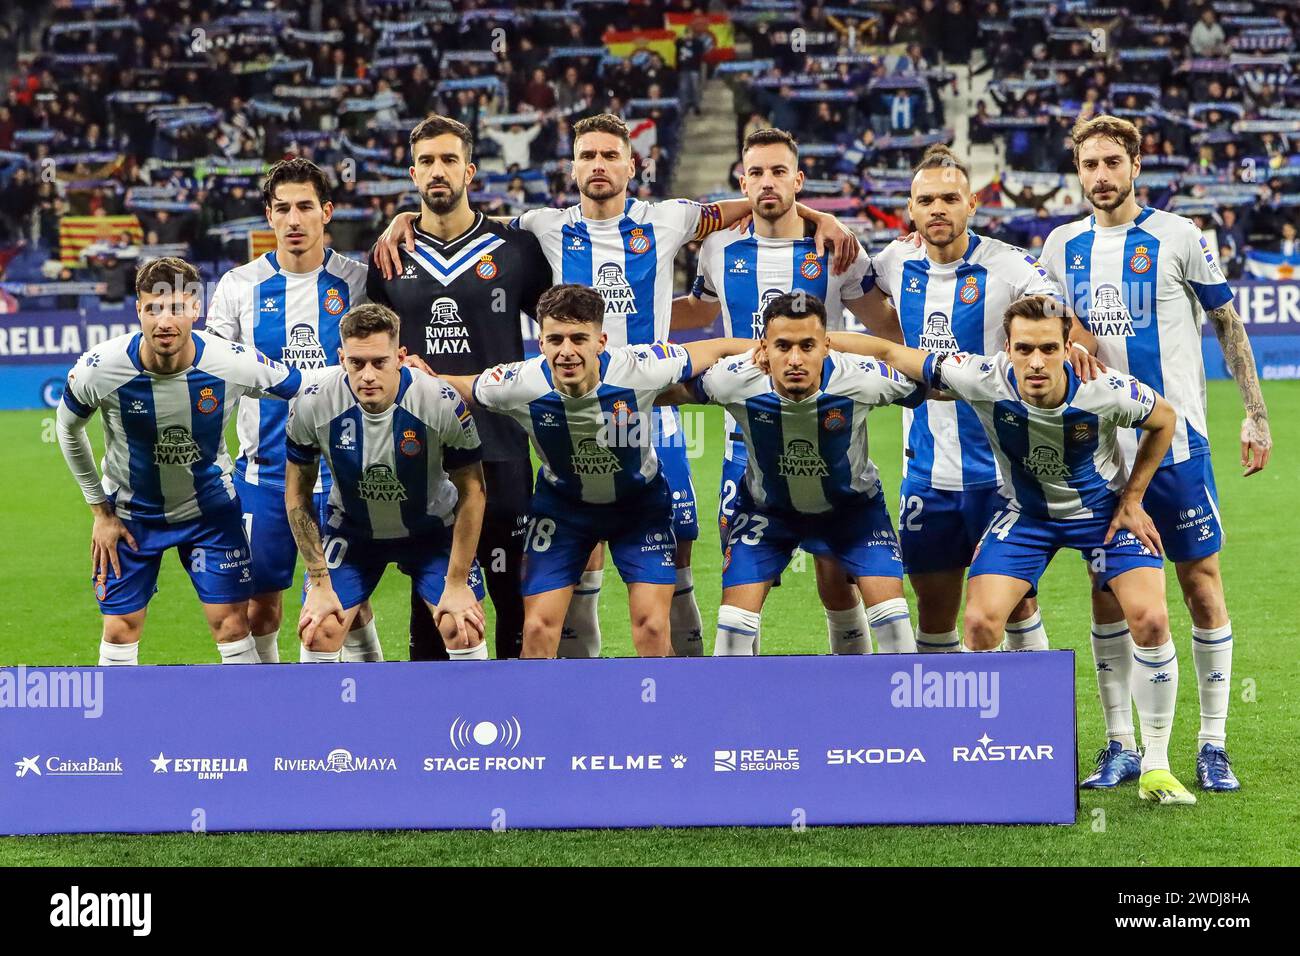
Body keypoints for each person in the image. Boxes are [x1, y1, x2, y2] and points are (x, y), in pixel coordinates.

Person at [373, 112, 863, 659]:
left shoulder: (670, 218)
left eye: (610, 155)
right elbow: (464, 221)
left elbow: (759, 199)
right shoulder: (540, 226)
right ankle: (589, 693)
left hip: (655, 416)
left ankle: (685, 690)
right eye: (588, 156)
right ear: (572, 167)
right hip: (574, 416)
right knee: (579, 572)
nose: (599, 165)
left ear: (633, 165)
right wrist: (403, 220)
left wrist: (821, 216)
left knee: (674, 567)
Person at [858, 294, 1198, 806]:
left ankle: (1156, 764)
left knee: (1149, 618)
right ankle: (1000, 749)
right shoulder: (982, 376)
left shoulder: (1103, 390)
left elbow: (1165, 419)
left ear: (1068, 346)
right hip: (1027, 517)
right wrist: (808, 345)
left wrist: (1132, 497)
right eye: (1023, 349)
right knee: (979, 624)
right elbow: (888, 352)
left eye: (1047, 349)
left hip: (1102, 515)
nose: (1035, 362)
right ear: (1007, 349)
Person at [1041, 115, 1272, 792]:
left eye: (1113, 161)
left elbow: (1227, 323)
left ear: (1136, 165)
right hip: (1097, 455)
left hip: (1178, 447)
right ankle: (1120, 744)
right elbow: (1051, 328)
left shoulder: (1179, 235)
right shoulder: (1060, 246)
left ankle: (1212, 743)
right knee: (1106, 592)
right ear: (1077, 172)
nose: (1101, 176)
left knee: (1201, 585)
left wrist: (1255, 414)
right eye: (1090, 165)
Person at [853, 144, 1098, 655]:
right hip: (927, 475)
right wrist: (821, 221)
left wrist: (1073, 350)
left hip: (999, 475)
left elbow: (1061, 318)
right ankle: (944, 728)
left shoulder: (1007, 266)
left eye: (949, 198)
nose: (937, 209)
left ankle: (1032, 723)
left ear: (972, 204)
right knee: (934, 608)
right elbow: (848, 280)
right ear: (910, 209)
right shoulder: (895, 261)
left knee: (1016, 606)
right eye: (926, 200)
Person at [436, 284, 756, 658]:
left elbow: (717, 348)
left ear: (601, 341)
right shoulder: (518, 383)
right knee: (538, 628)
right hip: (563, 510)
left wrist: (766, 351)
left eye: (578, 338)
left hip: (639, 508)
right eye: (554, 339)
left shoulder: (641, 366)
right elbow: (461, 387)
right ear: (540, 342)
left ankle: (662, 710)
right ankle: (545, 713)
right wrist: (413, 372)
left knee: (652, 627)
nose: (566, 351)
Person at [672, 127, 898, 654]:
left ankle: (851, 690)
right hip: (744, 443)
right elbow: (701, 310)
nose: (767, 182)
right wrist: (624, 318)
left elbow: (883, 325)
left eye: (779, 172)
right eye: (756, 173)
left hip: (830, 437)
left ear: (799, 179)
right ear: (742, 181)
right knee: (743, 590)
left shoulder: (837, 248)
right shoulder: (718, 248)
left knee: (836, 581)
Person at [56, 257, 314, 666]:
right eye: (153, 308)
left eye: (177, 307)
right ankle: (113, 728)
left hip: (210, 513)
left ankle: (253, 721)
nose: (165, 321)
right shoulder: (100, 369)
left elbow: (304, 387)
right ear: (138, 310)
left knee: (232, 625)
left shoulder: (231, 361)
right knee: (121, 627)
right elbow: (67, 430)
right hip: (130, 515)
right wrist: (100, 511)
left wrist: (380, 372)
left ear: (196, 309)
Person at [366, 114, 550, 662]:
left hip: (503, 450)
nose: (437, 171)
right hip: (422, 456)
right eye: (426, 161)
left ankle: (524, 731)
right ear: (412, 173)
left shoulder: (514, 249)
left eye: (449, 160)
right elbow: (373, 354)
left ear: (470, 170)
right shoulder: (389, 257)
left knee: (515, 603)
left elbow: (559, 330)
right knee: (435, 611)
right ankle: (431, 733)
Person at [662, 292, 923, 656]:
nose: (795, 359)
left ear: (827, 346)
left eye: (807, 345)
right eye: (782, 346)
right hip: (768, 515)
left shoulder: (864, 380)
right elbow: (668, 392)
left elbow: (938, 386)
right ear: (763, 348)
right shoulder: (734, 380)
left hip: (853, 513)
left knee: (895, 626)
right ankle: (736, 711)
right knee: (733, 632)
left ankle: (878, 707)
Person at [206, 157, 375, 665]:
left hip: (347, 474)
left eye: (306, 207)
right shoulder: (239, 286)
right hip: (267, 475)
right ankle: (271, 714)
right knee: (262, 610)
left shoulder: (360, 282)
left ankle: (375, 699)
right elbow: (214, 374)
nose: (295, 220)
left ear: (327, 212)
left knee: (348, 606)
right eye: (283, 209)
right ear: (269, 216)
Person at [287, 304, 488, 660]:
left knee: (463, 628)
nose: (367, 375)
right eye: (356, 363)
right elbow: (297, 494)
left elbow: (473, 491)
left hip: (431, 531)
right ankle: (350, 707)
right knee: (319, 629)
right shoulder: (313, 401)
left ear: (399, 357)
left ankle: (466, 716)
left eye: (379, 362)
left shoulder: (440, 402)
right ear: (341, 357)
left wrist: (456, 583)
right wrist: (318, 582)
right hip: (352, 531)